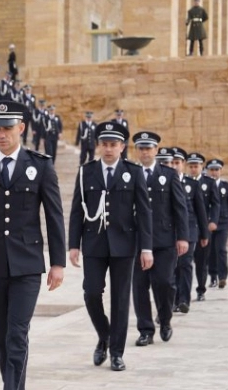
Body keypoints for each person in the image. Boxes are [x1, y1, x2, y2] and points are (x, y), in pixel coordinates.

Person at [0, 100, 65, 390]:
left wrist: (57, 262)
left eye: (7, 128)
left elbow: (54, 216)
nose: (1, 134)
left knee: (17, 333)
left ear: (20, 128)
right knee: (2, 335)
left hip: (27, 264)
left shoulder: (40, 166)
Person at [68, 122, 153, 371]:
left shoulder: (133, 172)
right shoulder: (87, 172)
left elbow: (144, 213)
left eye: (113, 145)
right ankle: (105, 335)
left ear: (122, 147)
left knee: (120, 299)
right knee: (91, 293)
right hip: (94, 243)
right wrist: (73, 244)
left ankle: (116, 352)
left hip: (124, 245)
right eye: (104, 144)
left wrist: (146, 248)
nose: (108, 149)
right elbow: (76, 211)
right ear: (98, 146)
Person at [130, 133, 188, 348]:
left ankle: (164, 320)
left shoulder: (169, 174)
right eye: (141, 148)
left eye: (149, 148)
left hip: (163, 240)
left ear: (156, 150)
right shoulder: (129, 173)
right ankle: (145, 330)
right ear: (137, 151)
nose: (145, 152)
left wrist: (182, 237)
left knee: (164, 283)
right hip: (136, 241)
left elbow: (180, 208)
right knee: (139, 287)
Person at [170, 147, 208, 313]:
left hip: (190, 231)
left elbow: (200, 210)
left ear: (183, 164)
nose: (174, 166)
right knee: (172, 267)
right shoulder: (161, 183)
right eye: (171, 162)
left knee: (185, 265)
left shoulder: (192, 184)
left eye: (177, 162)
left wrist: (204, 233)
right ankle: (173, 299)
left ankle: (184, 300)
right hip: (169, 232)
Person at [186, 152, 220, 300]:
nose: (193, 169)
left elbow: (216, 204)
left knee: (201, 261)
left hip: (202, 227)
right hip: (186, 226)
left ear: (202, 167)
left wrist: (213, 220)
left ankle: (201, 290)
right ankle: (182, 294)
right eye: (191, 166)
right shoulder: (182, 182)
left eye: (196, 166)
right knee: (184, 262)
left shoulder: (209, 182)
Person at [205, 158, 228, 289]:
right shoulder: (204, 185)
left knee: (221, 249)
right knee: (210, 250)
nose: (214, 172)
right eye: (211, 170)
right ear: (207, 171)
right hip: (208, 222)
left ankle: (222, 276)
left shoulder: (227, 186)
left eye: (216, 170)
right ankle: (213, 276)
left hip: (223, 222)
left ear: (221, 171)